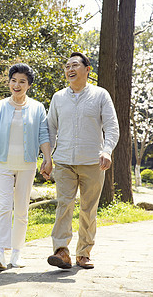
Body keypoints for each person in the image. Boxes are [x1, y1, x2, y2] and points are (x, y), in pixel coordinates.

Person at [45, 52, 119, 269]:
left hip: (93, 162)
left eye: (75, 65)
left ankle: (83, 253)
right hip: (64, 161)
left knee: (89, 208)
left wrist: (107, 150)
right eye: (67, 66)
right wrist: (47, 158)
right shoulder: (58, 98)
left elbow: (112, 126)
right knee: (64, 205)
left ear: (88, 69)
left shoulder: (101, 95)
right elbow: (50, 128)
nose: (69, 69)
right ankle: (61, 251)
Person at [0, 63, 52, 270]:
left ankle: (17, 253)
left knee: (21, 210)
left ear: (29, 85)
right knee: (4, 208)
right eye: (13, 80)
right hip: (3, 163)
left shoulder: (37, 107)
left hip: (27, 165)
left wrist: (47, 157)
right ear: (9, 82)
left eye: (22, 82)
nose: (16, 85)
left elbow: (43, 134)